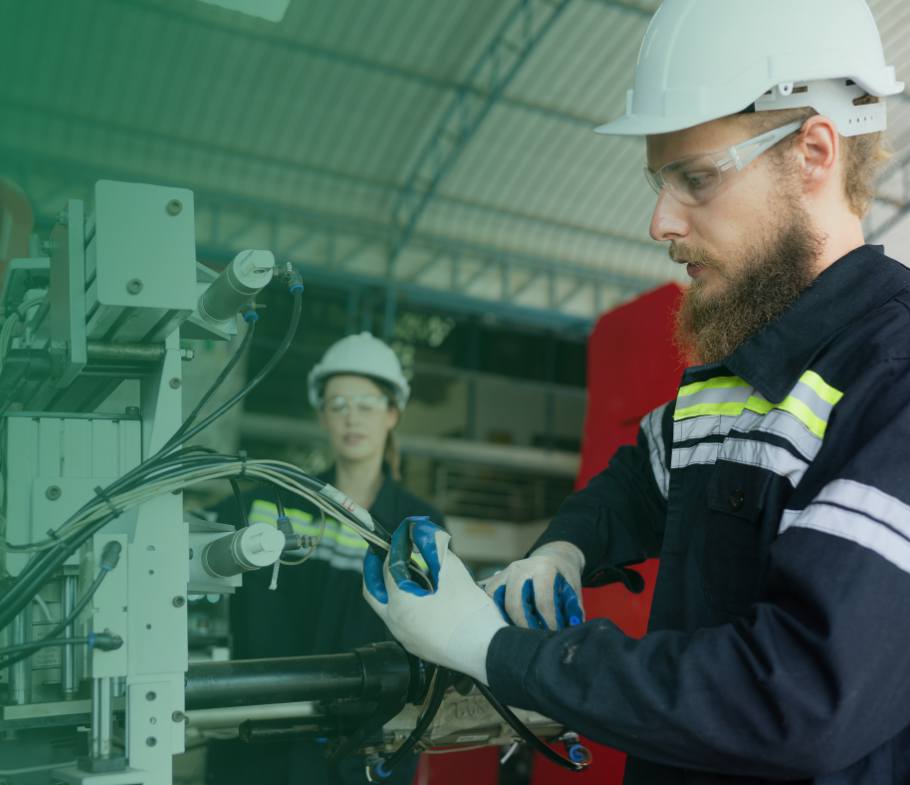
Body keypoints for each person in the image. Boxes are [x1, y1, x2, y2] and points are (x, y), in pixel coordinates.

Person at [363, 2, 910, 783]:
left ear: (813, 153)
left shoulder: (891, 378)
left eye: (696, 178)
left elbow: (794, 696)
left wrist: (492, 648)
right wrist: (563, 549)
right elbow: (641, 480)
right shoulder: (739, 365)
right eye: (659, 181)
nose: (660, 221)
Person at [207, 332, 443, 785]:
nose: (352, 416)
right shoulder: (271, 505)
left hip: (362, 752)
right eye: (338, 404)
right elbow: (187, 535)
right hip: (263, 745)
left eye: (366, 403)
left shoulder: (416, 527)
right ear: (322, 415)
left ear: (392, 413)